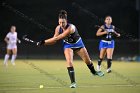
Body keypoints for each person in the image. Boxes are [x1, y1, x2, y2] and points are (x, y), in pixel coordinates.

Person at [37, 10, 104, 88]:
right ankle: (73, 83)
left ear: (66, 21)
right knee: (69, 62)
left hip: (78, 44)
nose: (61, 24)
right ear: (58, 22)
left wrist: (43, 41)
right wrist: (43, 43)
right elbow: (54, 40)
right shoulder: (58, 28)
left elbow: (58, 38)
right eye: (60, 22)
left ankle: (94, 72)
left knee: (87, 61)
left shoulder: (71, 27)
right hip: (68, 46)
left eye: (63, 22)